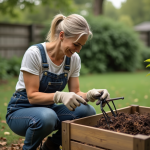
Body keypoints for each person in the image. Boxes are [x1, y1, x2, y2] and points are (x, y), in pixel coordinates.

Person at [6, 14, 110, 150]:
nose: (78, 50)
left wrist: (91, 94)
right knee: (47, 117)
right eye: (76, 44)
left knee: (87, 111)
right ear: (62, 36)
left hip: (48, 110)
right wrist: (60, 96)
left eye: (81, 46)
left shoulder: (73, 59)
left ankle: (51, 146)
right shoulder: (34, 54)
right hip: (21, 111)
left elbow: (76, 93)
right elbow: (32, 96)